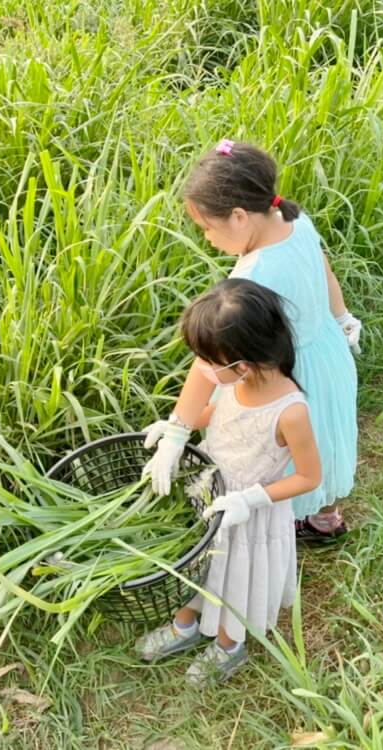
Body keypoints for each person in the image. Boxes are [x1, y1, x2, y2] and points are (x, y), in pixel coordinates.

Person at [143, 140, 359, 540]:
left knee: (281, 451)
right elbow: (326, 273)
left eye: (207, 228)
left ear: (239, 216)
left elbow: (210, 362)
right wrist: (343, 319)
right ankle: (324, 518)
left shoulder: (251, 277)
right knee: (323, 437)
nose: (207, 238)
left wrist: (178, 429)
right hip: (326, 355)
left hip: (285, 373)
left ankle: (277, 528)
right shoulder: (296, 221)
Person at [136, 278, 321, 682]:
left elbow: (309, 477)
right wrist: (174, 430)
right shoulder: (235, 382)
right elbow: (215, 415)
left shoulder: (290, 411)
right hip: (210, 496)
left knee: (233, 580)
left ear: (242, 364)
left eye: (206, 360)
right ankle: (185, 624)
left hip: (247, 516)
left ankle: (227, 645)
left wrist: (249, 501)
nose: (199, 368)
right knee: (198, 567)